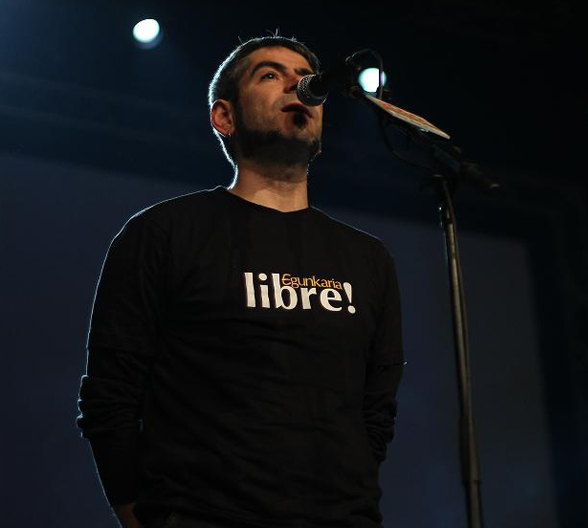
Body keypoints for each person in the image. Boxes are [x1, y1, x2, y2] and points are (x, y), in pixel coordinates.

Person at [76, 34, 405, 528]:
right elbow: (110, 398)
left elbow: (376, 412)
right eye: (271, 75)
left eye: (306, 77)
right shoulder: (163, 233)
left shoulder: (368, 258)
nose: (298, 85)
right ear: (224, 117)